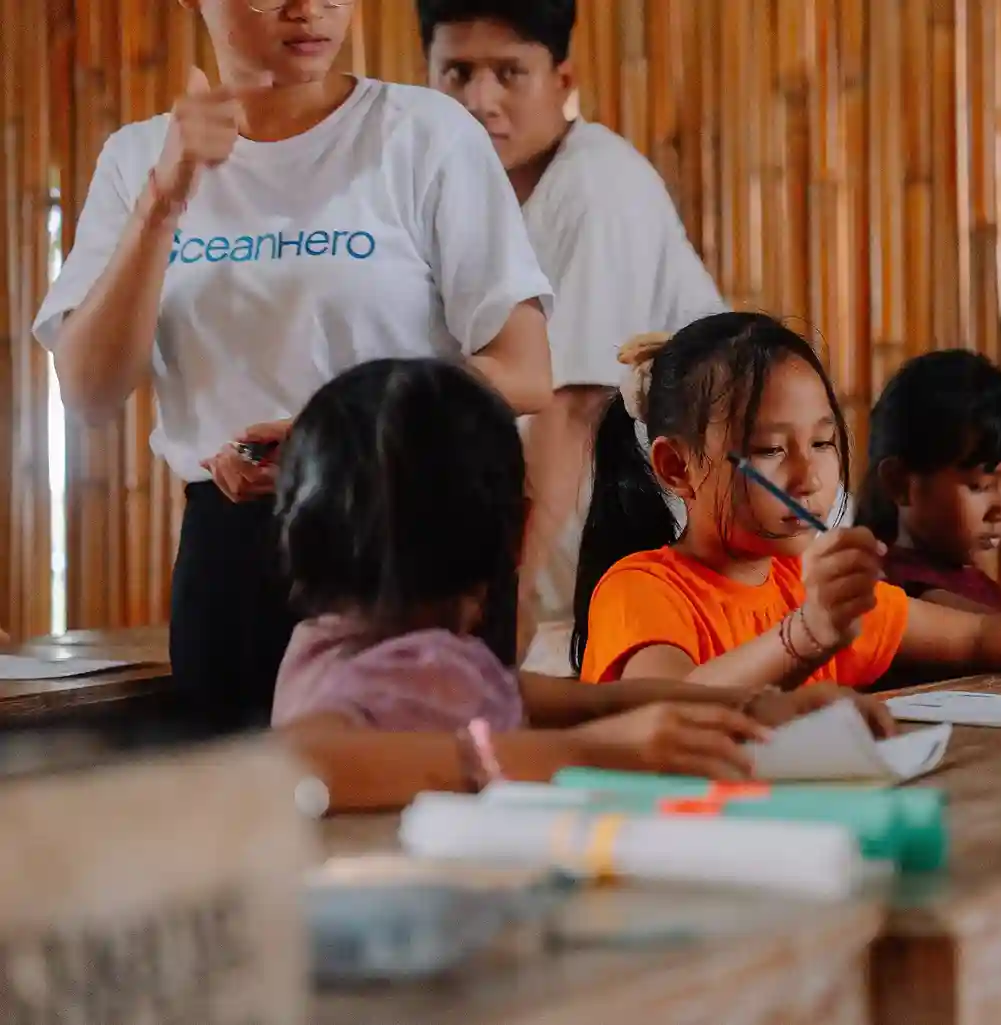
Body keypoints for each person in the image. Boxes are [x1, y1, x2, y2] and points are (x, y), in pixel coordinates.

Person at [31, 0, 556, 734]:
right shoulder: (138, 158)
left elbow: (525, 371)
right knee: (245, 798)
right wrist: (162, 201)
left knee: (432, 784)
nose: (309, 9)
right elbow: (89, 391)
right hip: (234, 552)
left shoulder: (423, 133)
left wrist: (331, 435)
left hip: (414, 539)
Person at [271, 357, 894, 812]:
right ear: (519, 534)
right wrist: (586, 753)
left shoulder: (403, 657)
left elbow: (587, 703)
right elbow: (294, 763)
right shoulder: (392, 670)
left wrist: (756, 710)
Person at [417, 0, 729, 675]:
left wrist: (514, 595)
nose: (479, 100)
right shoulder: (456, 196)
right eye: (457, 73)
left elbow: (575, 407)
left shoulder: (595, 184)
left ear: (563, 80)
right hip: (578, 537)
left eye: (509, 73)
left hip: (685, 532)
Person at [571, 313, 1001, 687]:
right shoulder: (641, 589)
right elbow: (668, 705)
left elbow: (976, 638)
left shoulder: (802, 583)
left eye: (822, 443)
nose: (808, 478)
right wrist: (805, 634)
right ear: (677, 467)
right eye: (770, 450)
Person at [856, 349, 1001, 612]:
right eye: (980, 486)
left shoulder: (975, 583)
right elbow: (988, 630)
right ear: (899, 483)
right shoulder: (900, 591)